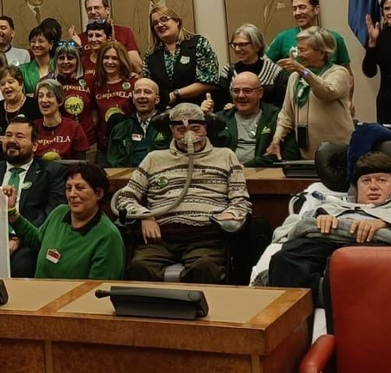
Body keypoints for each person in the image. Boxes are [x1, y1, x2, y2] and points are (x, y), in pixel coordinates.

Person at [266, 151, 391, 292]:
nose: (373, 186)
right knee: (284, 259)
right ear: (356, 187)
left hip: (374, 250)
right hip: (324, 243)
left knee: (342, 265)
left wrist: (385, 225)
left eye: (381, 180)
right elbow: (288, 229)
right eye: (366, 181)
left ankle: (325, 298)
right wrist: (318, 218)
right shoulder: (336, 207)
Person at [114, 103, 251, 282]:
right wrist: (144, 216)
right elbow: (124, 198)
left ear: (206, 128)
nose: (189, 135)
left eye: (195, 128)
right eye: (181, 129)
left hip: (205, 235)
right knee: (140, 267)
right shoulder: (154, 158)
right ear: (171, 130)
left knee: (204, 267)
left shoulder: (225, 156)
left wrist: (230, 214)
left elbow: (241, 201)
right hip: (160, 236)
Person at [0, 119, 67, 276]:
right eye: (8, 135)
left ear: (35, 145)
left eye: (20, 136)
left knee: (23, 264)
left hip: (28, 242)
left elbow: (51, 214)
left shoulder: (52, 172)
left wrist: (17, 240)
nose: (11, 141)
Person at [6, 161, 124, 280]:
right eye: (68, 188)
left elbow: (97, 291)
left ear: (98, 193)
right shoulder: (60, 212)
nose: (72, 194)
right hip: (39, 294)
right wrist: (12, 211)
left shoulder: (108, 237)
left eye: (80, 188)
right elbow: (37, 241)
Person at [267, 28, 355, 160]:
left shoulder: (339, 73)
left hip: (337, 151)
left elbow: (326, 92)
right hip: (307, 151)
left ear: (321, 52)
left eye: (303, 50)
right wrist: (277, 139)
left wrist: (304, 71)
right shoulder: (295, 77)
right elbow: (286, 113)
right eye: (298, 49)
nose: (298, 54)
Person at [145, 10, 220, 109]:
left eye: (164, 19)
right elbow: (150, 89)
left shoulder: (198, 43)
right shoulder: (150, 56)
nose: (159, 24)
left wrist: (175, 94)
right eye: (155, 23)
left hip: (199, 110)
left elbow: (210, 81)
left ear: (177, 21)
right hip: (165, 115)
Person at [265, 0, 351, 67]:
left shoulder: (334, 38)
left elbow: (348, 77)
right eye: (294, 9)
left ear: (316, 10)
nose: (297, 13)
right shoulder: (283, 38)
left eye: (302, 7)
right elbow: (265, 65)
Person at [217, 71, 284, 167]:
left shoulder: (277, 117)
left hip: (263, 175)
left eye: (247, 91)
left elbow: (289, 154)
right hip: (227, 175)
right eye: (236, 91)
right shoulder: (220, 119)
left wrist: (247, 166)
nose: (241, 95)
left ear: (260, 93)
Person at [217, 25, 287, 108]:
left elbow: (282, 105)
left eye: (242, 44)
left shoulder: (274, 72)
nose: (237, 49)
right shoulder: (228, 71)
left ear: (257, 46)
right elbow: (221, 103)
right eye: (234, 45)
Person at [105, 76, 164, 168]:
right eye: (137, 92)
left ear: (157, 99)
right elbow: (113, 160)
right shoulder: (120, 127)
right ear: (133, 98)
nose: (142, 96)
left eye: (147, 92)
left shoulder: (167, 126)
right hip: (127, 177)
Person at [0, 66, 38, 159]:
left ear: (21, 84)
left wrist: (8, 140)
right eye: (2, 84)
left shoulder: (34, 106)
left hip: (28, 158)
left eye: (11, 82)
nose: (6, 86)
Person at [32, 80, 91, 161]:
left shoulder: (74, 128)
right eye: (40, 96)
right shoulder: (32, 127)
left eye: (49, 96)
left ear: (60, 101)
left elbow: (80, 163)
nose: (44, 100)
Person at [19, 27, 53, 93]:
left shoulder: (59, 66)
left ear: (51, 44)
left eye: (41, 41)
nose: (36, 45)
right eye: (33, 41)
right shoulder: (23, 70)